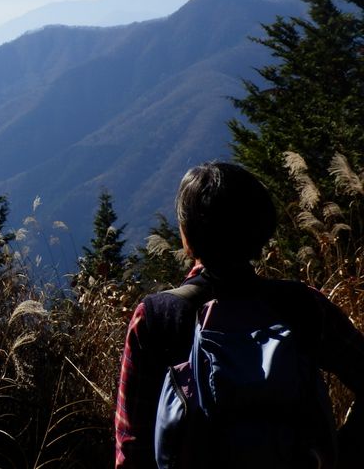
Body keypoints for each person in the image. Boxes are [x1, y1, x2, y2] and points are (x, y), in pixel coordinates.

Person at [114, 161, 364, 468]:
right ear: (261, 229)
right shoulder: (303, 305)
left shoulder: (156, 317)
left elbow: (131, 446)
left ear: (187, 236)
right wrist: (335, 452)